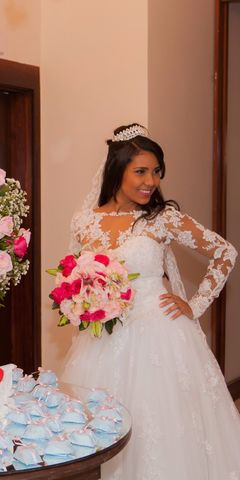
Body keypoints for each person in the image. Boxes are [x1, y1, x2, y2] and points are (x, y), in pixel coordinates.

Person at [61, 123, 240, 478]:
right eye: (141, 171)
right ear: (117, 170)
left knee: (161, 425)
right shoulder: (84, 222)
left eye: (156, 172)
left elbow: (224, 251)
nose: (151, 181)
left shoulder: (162, 219)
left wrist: (196, 303)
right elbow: (73, 275)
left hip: (160, 332)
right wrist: (81, 300)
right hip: (103, 338)